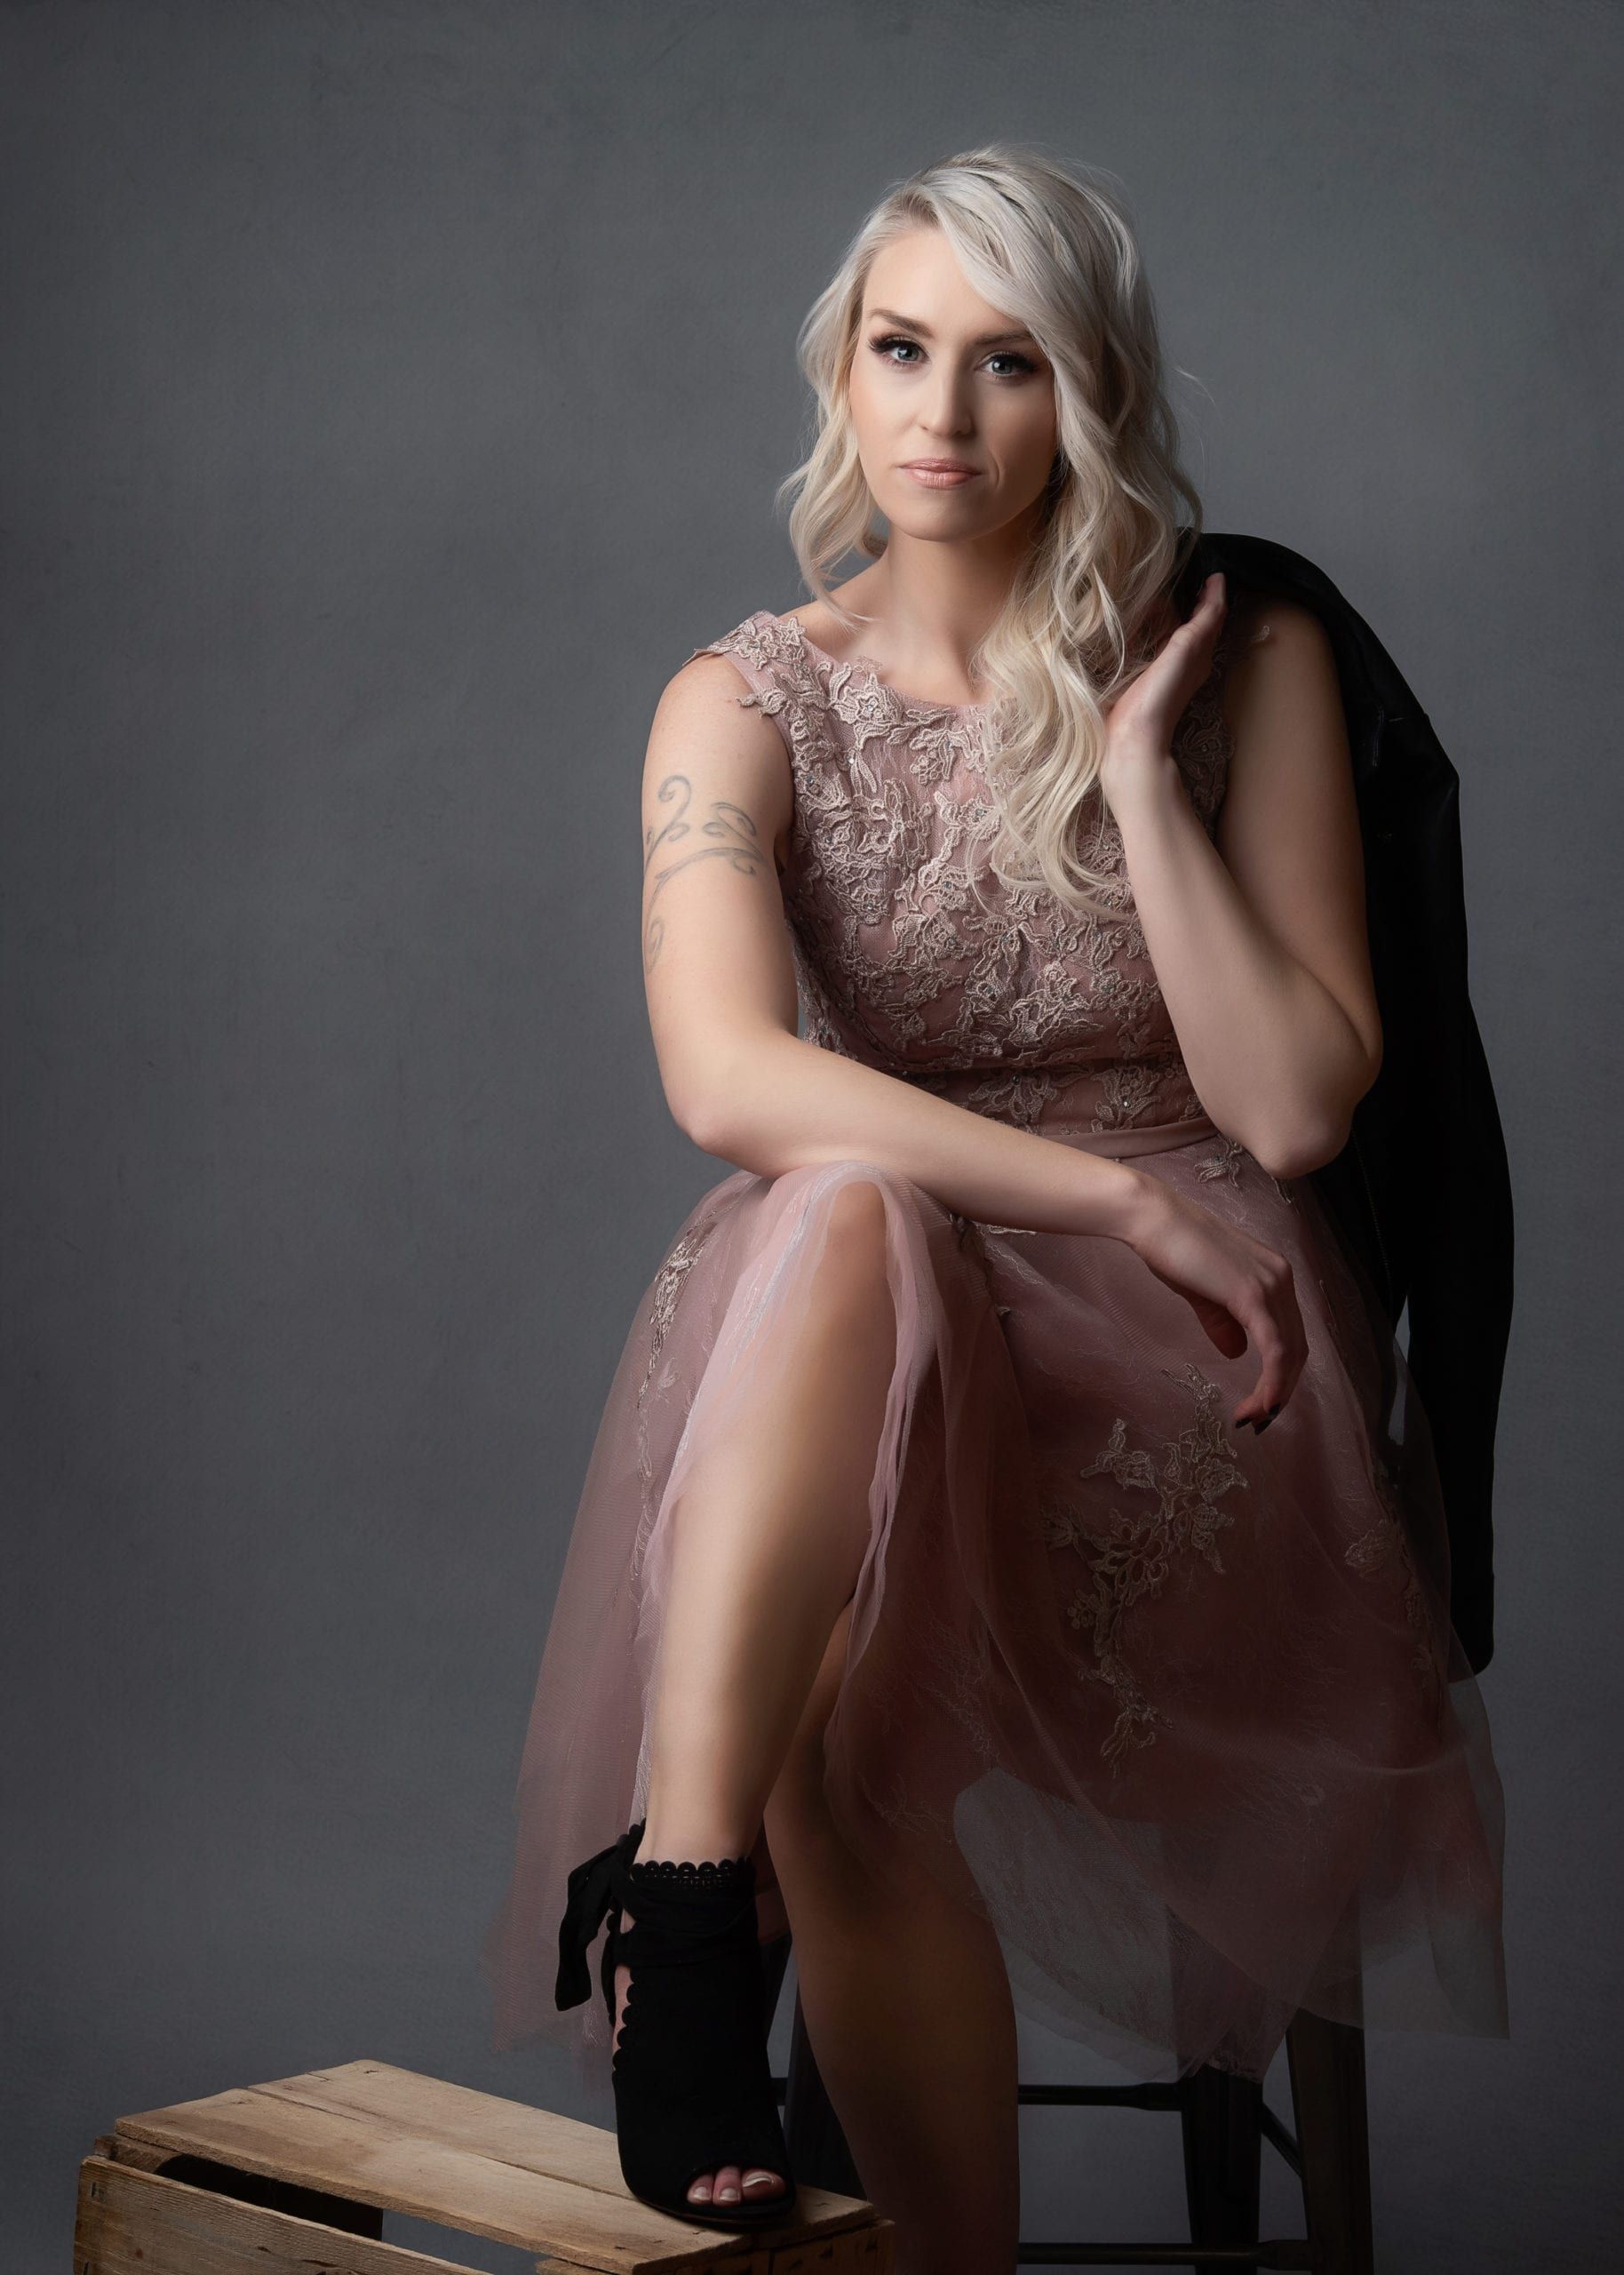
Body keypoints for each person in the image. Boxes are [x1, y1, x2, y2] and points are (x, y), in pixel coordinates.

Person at [481, 145, 1509, 2275]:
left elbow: (1295, 1107)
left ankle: (687, 1909)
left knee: (834, 1665)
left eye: (1010, 362)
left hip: (1177, 1389)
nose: (944, 413)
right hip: (872, 1329)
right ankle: (694, 1910)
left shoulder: (1247, 659)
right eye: (899, 349)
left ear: (1090, 396)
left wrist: (1140, 774)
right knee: (842, 1209)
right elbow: (724, 1079)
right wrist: (1106, 1206)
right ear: (839, 381)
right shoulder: (740, 700)